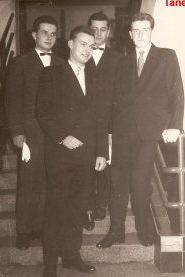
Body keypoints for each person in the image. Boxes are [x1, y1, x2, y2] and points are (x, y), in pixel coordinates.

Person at [96, 12, 184, 249]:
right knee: (118, 181)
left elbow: (177, 93)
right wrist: (110, 134)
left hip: (150, 131)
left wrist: (175, 125)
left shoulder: (166, 56)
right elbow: (116, 100)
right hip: (123, 130)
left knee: (140, 182)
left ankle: (144, 229)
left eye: (145, 29)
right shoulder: (122, 62)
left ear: (151, 31)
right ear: (130, 35)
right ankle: (116, 232)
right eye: (136, 30)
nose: (140, 34)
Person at [35, 25, 108, 277]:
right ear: (70, 44)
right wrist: (62, 137)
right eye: (82, 44)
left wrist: (101, 152)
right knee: (55, 210)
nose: (87, 49)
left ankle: (71, 256)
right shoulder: (52, 73)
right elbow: (42, 113)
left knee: (78, 208)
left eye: (91, 45)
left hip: (86, 157)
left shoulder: (96, 77)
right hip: (60, 155)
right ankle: (49, 266)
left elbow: (101, 119)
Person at [5, 15, 64, 250]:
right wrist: (17, 131)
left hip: (56, 134)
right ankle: (24, 230)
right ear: (34, 35)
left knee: (51, 182)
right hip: (31, 133)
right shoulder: (20, 62)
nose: (48, 37)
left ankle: (41, 227)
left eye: (52, 33)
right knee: (30, 181)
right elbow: (12, 98)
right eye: (44, 32)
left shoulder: (62, 62)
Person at [85, 12, 123, 226]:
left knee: (105, 168)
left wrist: (112, 128)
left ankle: (101, 205)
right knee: (85, 169)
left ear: (107, 32)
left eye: (102, 29)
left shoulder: (119, 59)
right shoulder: (78, 54)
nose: (97, 34)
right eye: (93, 29)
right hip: (84, 125)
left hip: (108, 124)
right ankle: (87, 209)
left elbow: (121, 95)